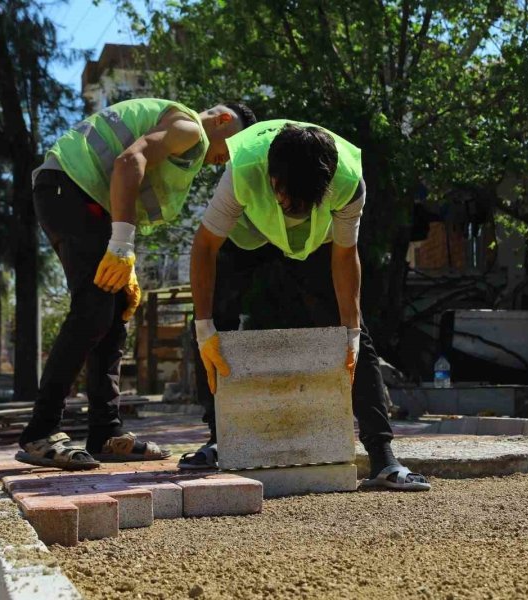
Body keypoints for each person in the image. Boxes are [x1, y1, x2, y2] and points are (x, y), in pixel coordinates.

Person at [179, 120, 430, 491]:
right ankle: (219, 441)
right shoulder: (244, 169)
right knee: (213, 319)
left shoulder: (348, 184)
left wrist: (352, 334)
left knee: (353, 331)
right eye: (285, 199)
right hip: (246, 235)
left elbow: (345, 256)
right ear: (272, 178)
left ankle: (383, 458)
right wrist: (204, 329)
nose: (290, 209)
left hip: (316, 244)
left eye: (302, 203)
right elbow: (204, 247)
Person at [16, 98, 257, 470]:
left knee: (112, 316)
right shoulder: (190, 127)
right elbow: (129, 162)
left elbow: (127, 180)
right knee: (93, 311)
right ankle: (41, 431)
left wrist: (122, 251)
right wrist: (121, 244)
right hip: (73, 192)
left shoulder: (180, 132)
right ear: (224, 119)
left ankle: (105, 432)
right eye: (235, 146)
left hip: (73, 195)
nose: (229, 159)